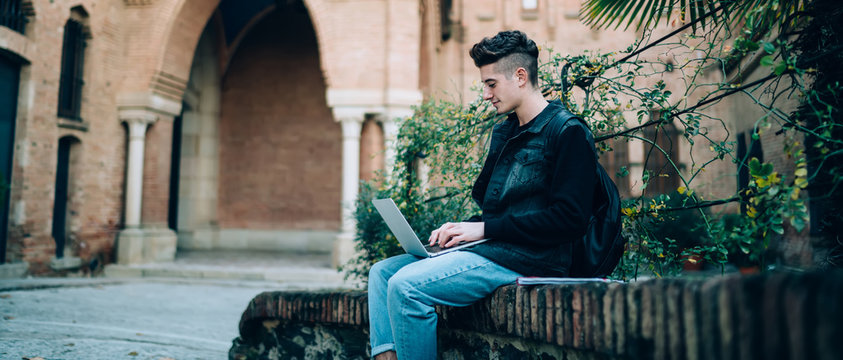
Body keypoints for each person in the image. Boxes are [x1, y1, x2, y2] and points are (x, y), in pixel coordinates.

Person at [367, 30, 597, 360]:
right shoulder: (504, 130)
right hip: (493, 248)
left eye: (491, 84)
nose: (486, 94)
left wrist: (484, 230)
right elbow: (496, 209)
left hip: (532, 258)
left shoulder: (568, 131)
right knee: (382, 274)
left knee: (407, 287)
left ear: (520, 76)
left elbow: (570, 219)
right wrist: (461, 229)